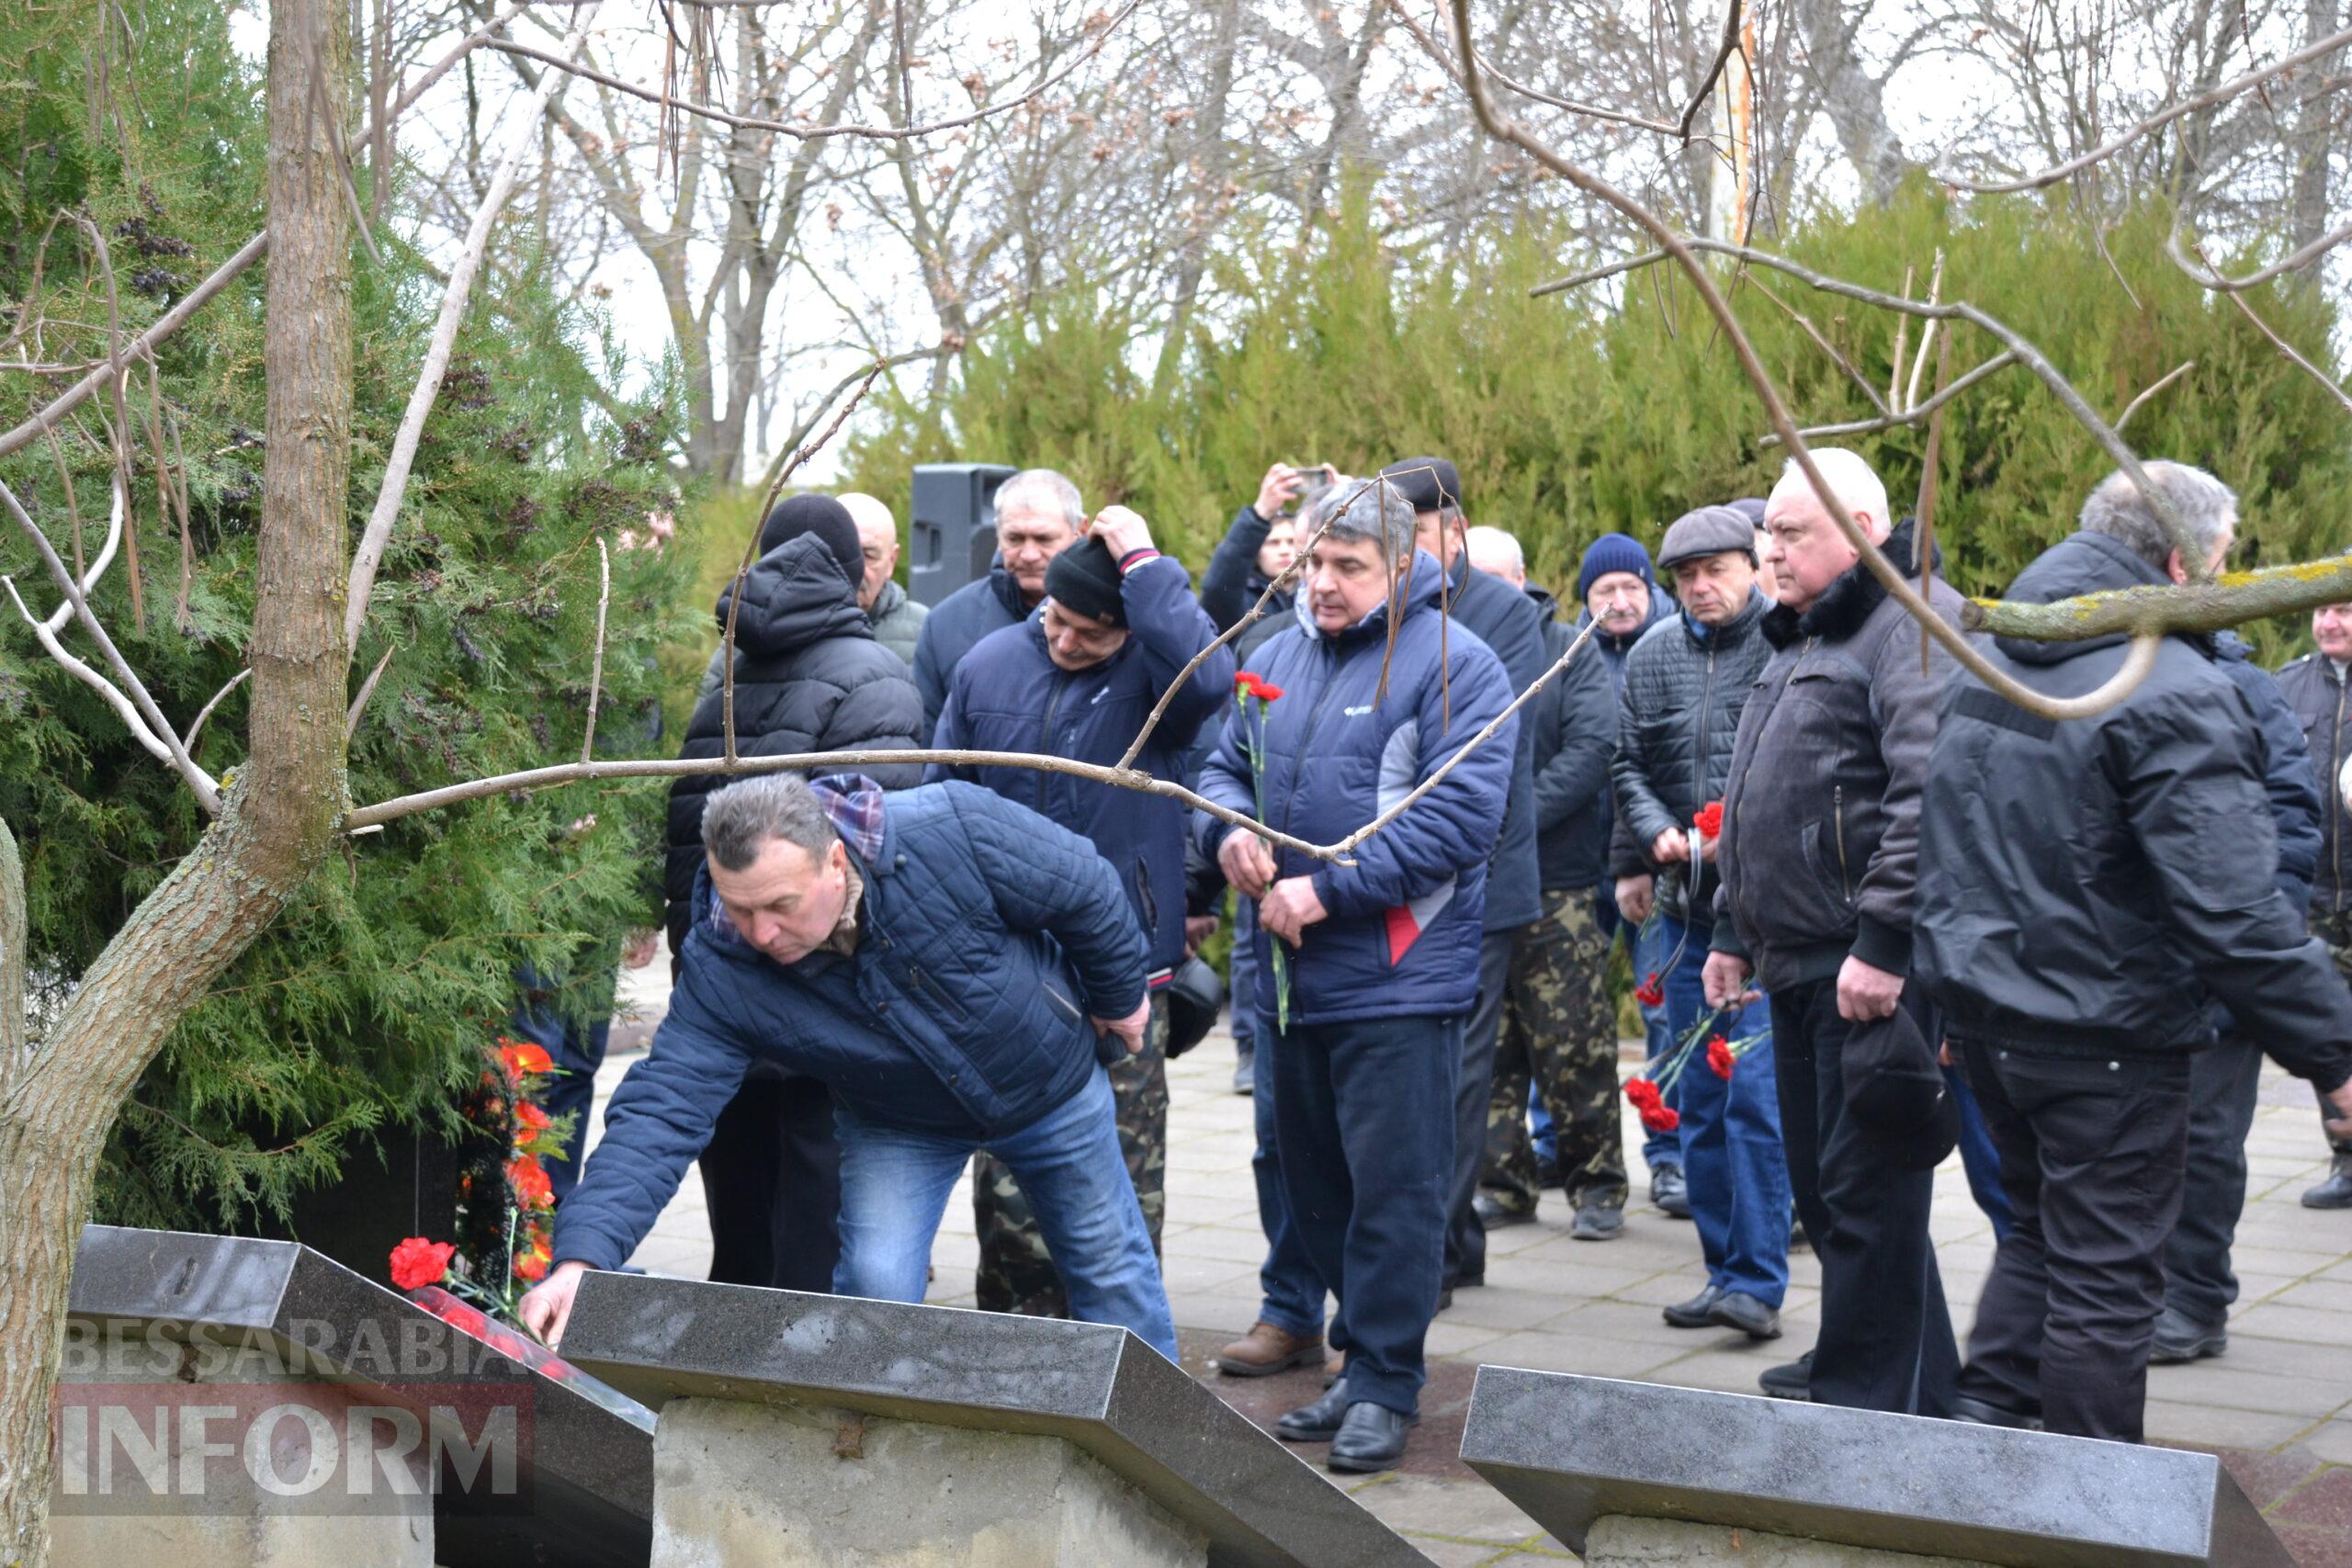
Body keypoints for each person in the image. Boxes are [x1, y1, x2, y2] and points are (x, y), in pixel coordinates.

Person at [1916, 462, 2352, 1443]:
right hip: (2102, 1037)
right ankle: (2090, 1511)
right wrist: (2336, 1054)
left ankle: (1980, 1444)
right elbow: (2235, 911)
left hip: (1994, 1025)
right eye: (2223, 564)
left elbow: (1935, 843)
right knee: (2106, 1287)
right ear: (2174, 561)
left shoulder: (1994, 661)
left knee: (2037, 1239)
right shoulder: (2170, 689)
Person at [521, 772, 1179, 1361]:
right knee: (874, 1286)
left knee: (1112, 1269)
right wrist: (584, 1258)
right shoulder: (724, 963)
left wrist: (1121, 997)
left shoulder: (951, 827)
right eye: (740, 906)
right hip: (897, 1119)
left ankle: (1167, 1464)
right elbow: (662, 1109)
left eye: (780, 904)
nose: (762, 932)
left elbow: (1084, 887)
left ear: (835, 859)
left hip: (1048, 1083)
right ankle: (867, 1459)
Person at [1196, 475, 1514, 1473]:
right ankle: (1352, 1358)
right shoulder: (1273, 654)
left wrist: (1327, 894)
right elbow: (1219, 766)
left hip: (1394, 977)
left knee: (1394, 1194)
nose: (1322, 584)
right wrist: (1227, 833)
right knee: (1315, 1186)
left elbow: (1460, 819)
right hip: (1286, 982)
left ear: (1405, 563)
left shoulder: (1458, 666)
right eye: (1313, 561)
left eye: (1348, 567)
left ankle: (1385, 1379)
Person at [1704, 449, 1963, 1412]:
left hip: (1863, 966)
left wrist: (1885, 944)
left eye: (1791, 532)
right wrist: (1732, 930)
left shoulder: (1912, 626)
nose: (1769, 550)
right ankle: (1900, 1366)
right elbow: (1755, 799)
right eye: (1767, 531)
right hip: (1796, 959)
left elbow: (1925, 793)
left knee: (1866, 1193)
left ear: (1864, 528)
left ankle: (1869, 1399)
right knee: (1829, 1190)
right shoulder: (1802, 638)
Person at [930, 504, 1231, 1321]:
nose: (1065, 642)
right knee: (1011, 1201)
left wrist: (1143, 559)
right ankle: (1018, 1360)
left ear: (1130, 629)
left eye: (1090, 634)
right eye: (1057, 621)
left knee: (1124, 1197)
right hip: (1013, 979)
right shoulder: (988, 665)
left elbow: (1211, 675)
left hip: (1124, 980)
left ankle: (1128, 1372)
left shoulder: (1157, 681)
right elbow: (944, 802)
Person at [665, 494, 927, 1293]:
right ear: (855, 577)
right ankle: (806, 1405)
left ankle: (731, 1392)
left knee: (742, 1232)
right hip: (820, 1002)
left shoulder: (730, 679)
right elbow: (873, 857)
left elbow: (684, 839)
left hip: (724, 987)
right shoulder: (877, 679)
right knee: (817, 1248)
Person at [1611, 504, 1786, 1340]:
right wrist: (1652, 833)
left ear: (1753, 564)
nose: (1700, 587)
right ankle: (1723, 1272)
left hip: (1760, 913)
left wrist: (1734, 827)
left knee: (1754, 1097)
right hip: (1683, 913)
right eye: (1684, 575)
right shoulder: (1650, 656)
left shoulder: (1786, 642)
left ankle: (1759, 1277)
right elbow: (1627, 759)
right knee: (1700, 1100)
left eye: (1715, 569)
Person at [1376, 457, 1548, 1304]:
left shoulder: (1503, 615)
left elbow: (1473, 744)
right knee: (1418, 1071)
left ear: (1455, 529)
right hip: (1396, 870)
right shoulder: (1388, 603)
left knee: (1457, 1075)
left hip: (1476, 877)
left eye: (1411, 532)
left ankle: (1433, 1257)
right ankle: (1456, 1242)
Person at [2152, 627, 2323, 1363]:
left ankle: (2195, 1298)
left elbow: (2293, 815)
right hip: (2132, 969)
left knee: (2206, 1138)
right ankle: (2149, 1292)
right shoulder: (2104, 674)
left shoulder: (2249, 687)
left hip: (2221, 966)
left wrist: (2253, 943)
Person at [1462, 526, 1626, 1240]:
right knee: (1489, 1049)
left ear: (1524, 577)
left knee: (1575, 1044)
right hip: (1479, 886)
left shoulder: (1572, 647)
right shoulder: (1452, 649)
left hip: (1558, 884)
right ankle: (1504, 1182)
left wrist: (1512, 813)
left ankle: (1597, 1186)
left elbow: (1593, 749)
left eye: (1496, 579)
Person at [1577, 533, 1684, 1214]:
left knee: (1664, 1014)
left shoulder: (1676, 649)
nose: (1618, 603)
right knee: (1569, 1017)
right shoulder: (1569, 657)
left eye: (1630, 589)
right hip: (1579, 872)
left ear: (1651, 590)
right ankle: (1559, 1141)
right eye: (1603, 592)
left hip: (1654, 871)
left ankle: (1669, 1156)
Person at [1202, 464, 1316, 1098]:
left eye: (1292, 542)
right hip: (1256, 789)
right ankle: (1249, 1040)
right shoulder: (1248, 617)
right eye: (1272, 542)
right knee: (1252, 934)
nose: (1285, 552)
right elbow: (1213, 592)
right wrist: (1258, 511)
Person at [2276, 602, 2352, 1209]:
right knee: (2333, 1027)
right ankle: (2349, 1162)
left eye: (2346, 610)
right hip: (2318, 901)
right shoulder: (2288, 685)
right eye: (2324, 609)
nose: (2330, 622)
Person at [911, 468, 1084, 735]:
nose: (1028, 554)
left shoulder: (1118, 619)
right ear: (997, 535)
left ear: (1080, 531)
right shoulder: (946, 625)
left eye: (1043, 539)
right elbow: (926, 746)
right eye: (1014, 539)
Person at [842, 492, 927, 668]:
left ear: (891, 561)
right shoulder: (790, 627)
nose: (855, 568)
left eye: (869, 555)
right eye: (843, 552)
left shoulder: (926, 631)